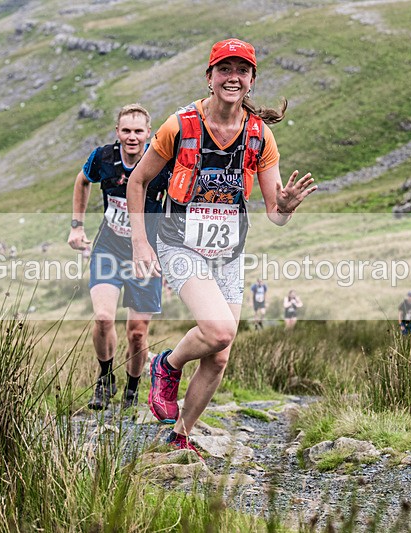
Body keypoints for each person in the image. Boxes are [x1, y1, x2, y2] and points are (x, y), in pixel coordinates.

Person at [126, 38, 316, 455]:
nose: (233, 77)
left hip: (228, 252)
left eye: (242, 70)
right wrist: (140, 242)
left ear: (252, 80)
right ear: (209, 77)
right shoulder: (179, 126)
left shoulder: (259, 136)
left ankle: (181, 436)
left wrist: (285, 207)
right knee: (219, 330)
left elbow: (275, 213)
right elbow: (137, 180)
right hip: (180, 244)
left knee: (220, 354)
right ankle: (167, 365)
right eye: (224, 69)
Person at [67, 103, 171, 411]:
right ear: (117, 132)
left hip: (146, 254)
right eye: (126, 130)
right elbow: (82, 180)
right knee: (103, 318)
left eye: (138, 131)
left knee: (137, 334)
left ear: (148, 133)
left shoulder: (162, 162)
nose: (132, 137)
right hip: (109, 248)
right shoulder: (103, 158)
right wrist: (76, 225)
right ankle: (104, 379)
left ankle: (132, 388)